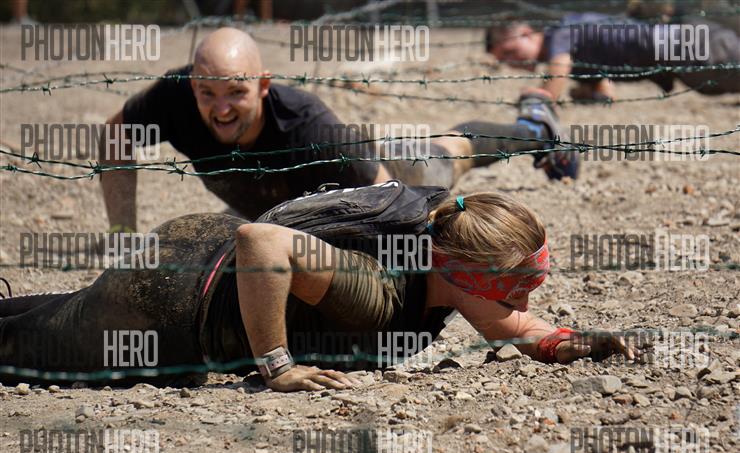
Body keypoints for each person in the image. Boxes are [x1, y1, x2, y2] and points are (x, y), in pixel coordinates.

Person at [0, 185, 632, 390]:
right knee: (25, 349)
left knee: (55, 313)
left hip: (194, 251)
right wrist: (277, 366)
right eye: (518, 285)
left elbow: (512, 325)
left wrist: (578, 342)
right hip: (166, 306)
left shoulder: (439, 244)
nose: (526, 300)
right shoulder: (379, 293)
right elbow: (261, 243)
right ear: (463, 272)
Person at [101, 27, 578, 232]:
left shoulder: (312, 128)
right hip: (275, 206)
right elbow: (114, 136)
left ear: (263, 85)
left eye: (236, 93)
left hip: (379, 180)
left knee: (446, 153)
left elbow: (387, 200)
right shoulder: (174, 99)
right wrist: (123, 233)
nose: (220, 108)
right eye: (207, 93)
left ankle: (536, 128)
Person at [486, 13, 739, 101]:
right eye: (503, 60)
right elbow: (606, 90)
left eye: (509, 52)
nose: (512, 62)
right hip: (678, 56)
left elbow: (559, 68)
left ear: (527, 33)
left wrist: (540, 99)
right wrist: (589, 91)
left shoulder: (560, 34)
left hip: (683, 44)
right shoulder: (573, 52)